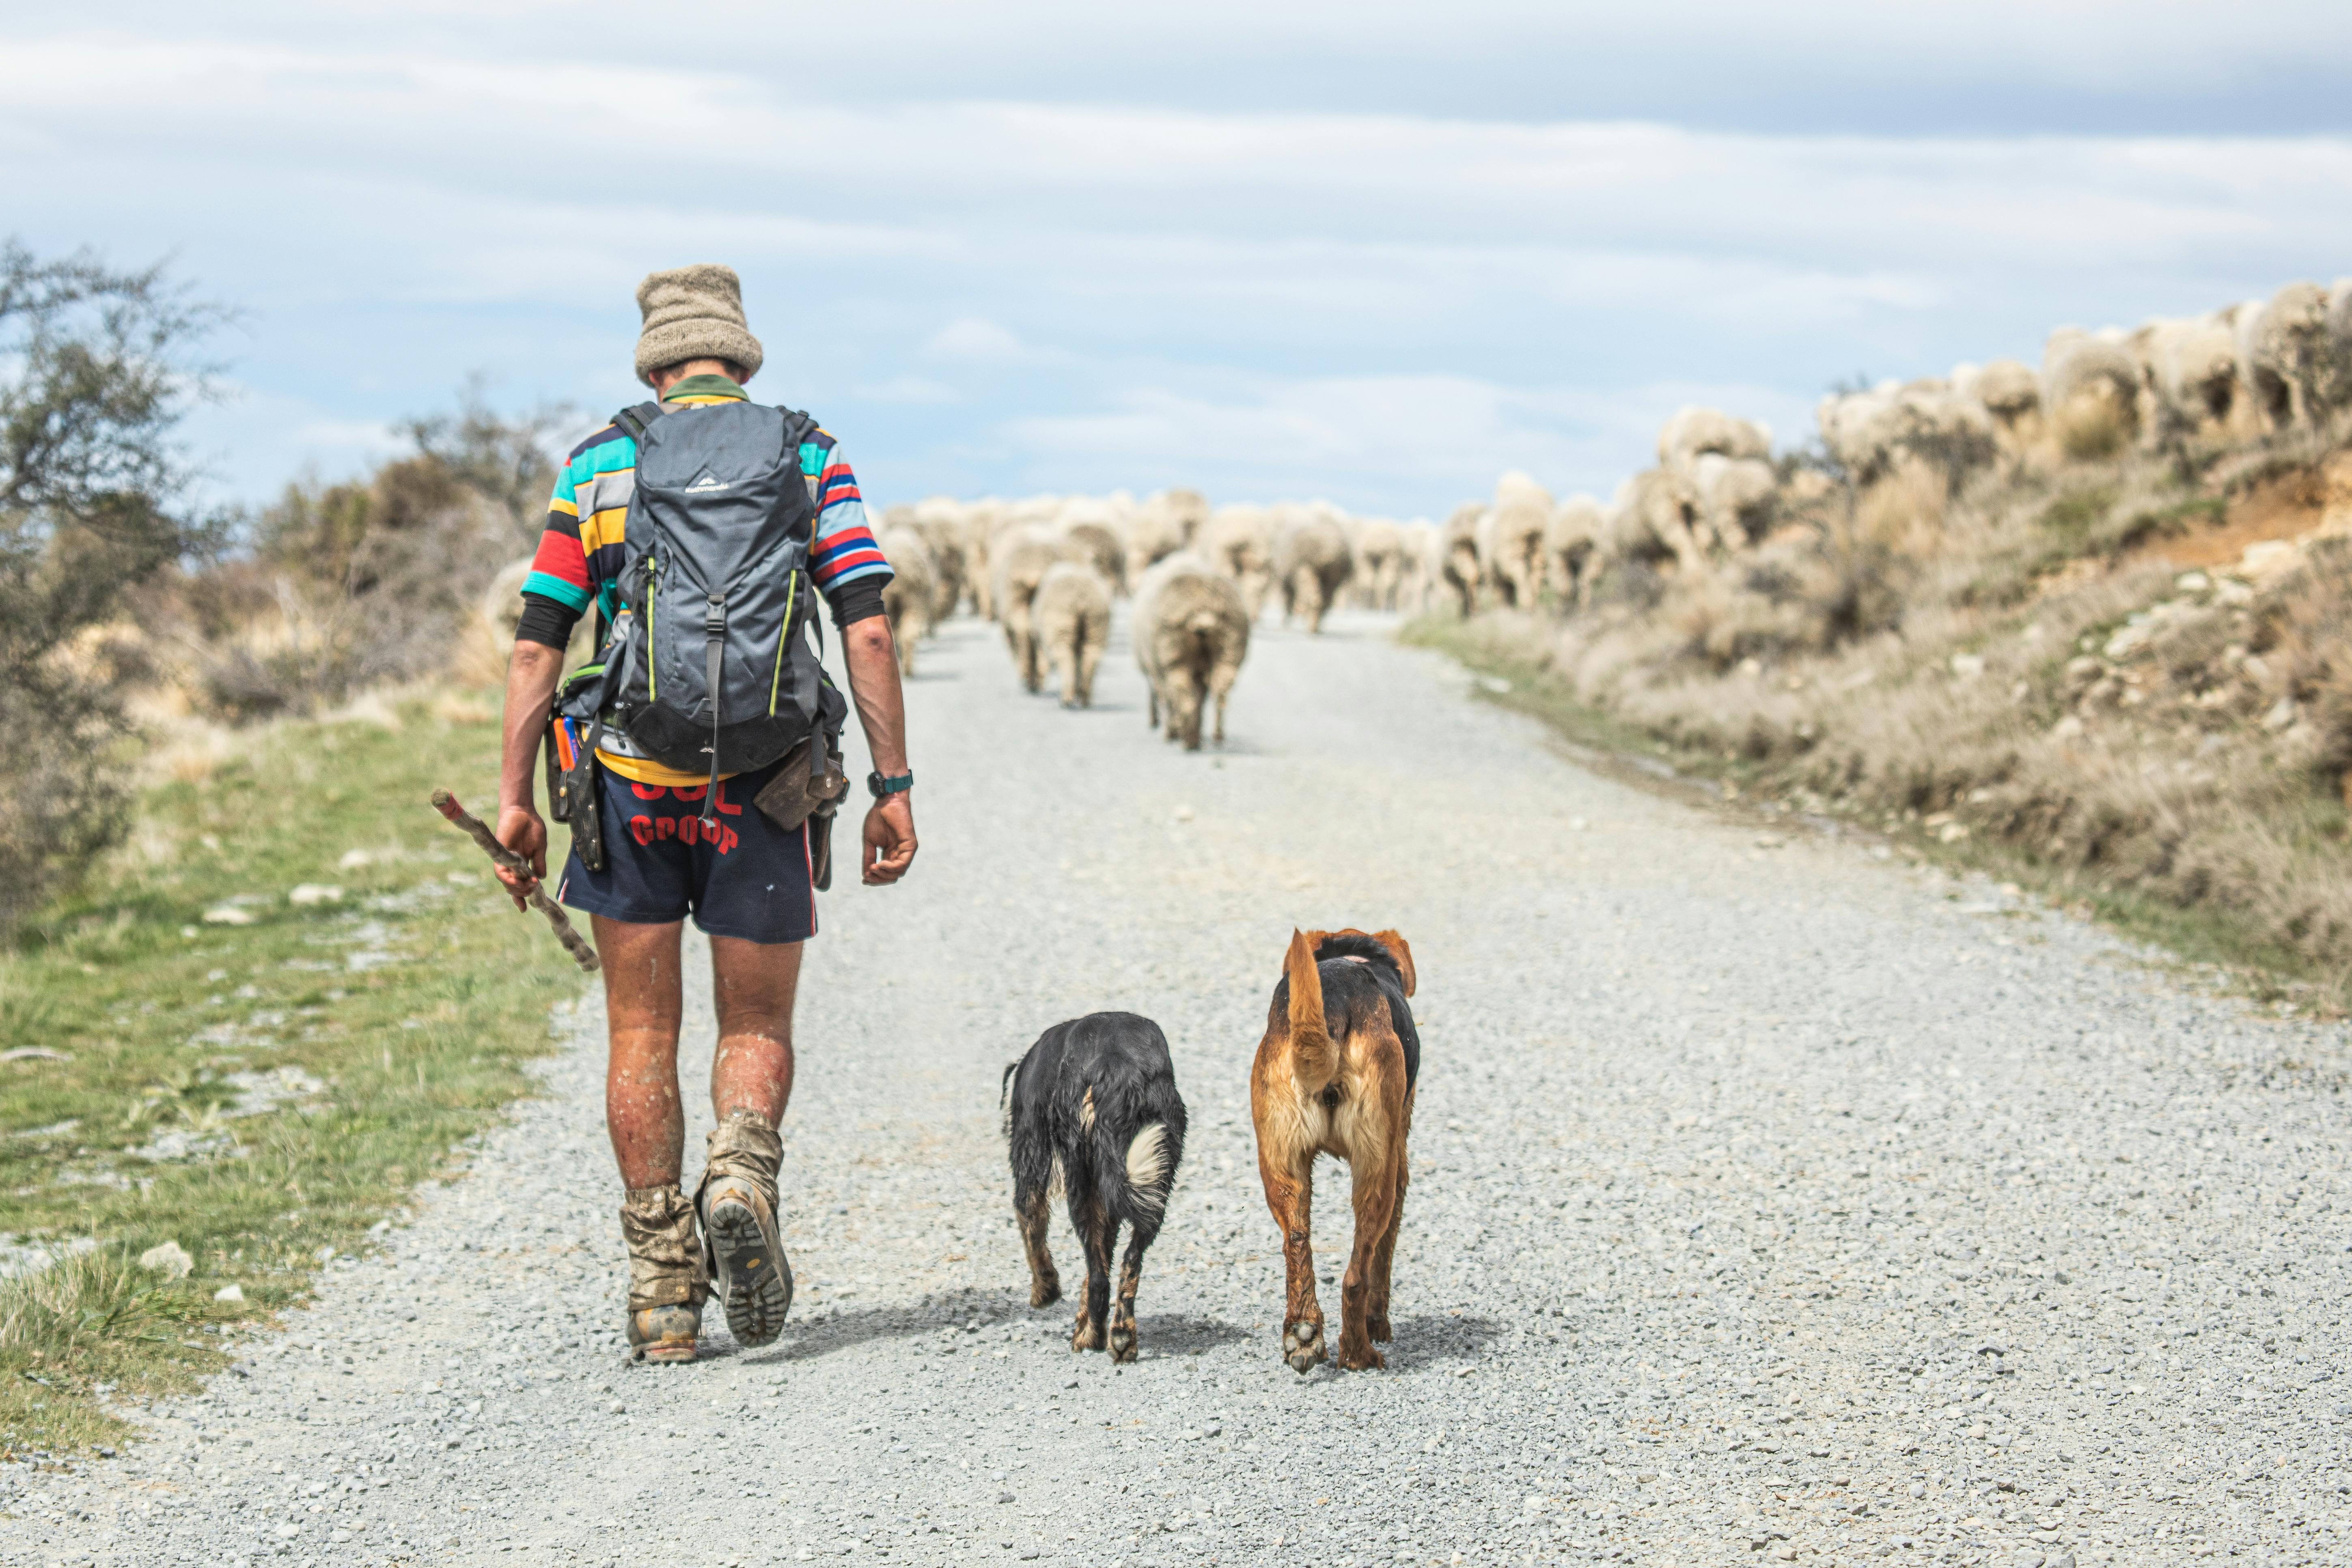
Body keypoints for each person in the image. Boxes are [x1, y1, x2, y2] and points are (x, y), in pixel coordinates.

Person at [493, 264, 917, 1363]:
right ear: (741, 358)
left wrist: (511, 801)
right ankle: (739, 1169)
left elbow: (538, 640)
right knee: (755, 1027)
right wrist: (892, 786)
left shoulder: (602, 460)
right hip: (764, 790)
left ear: (656, 361)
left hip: (627, 788)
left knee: (641, 1031)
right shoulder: (808, 453)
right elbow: (865, 626)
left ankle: (664, 1294)